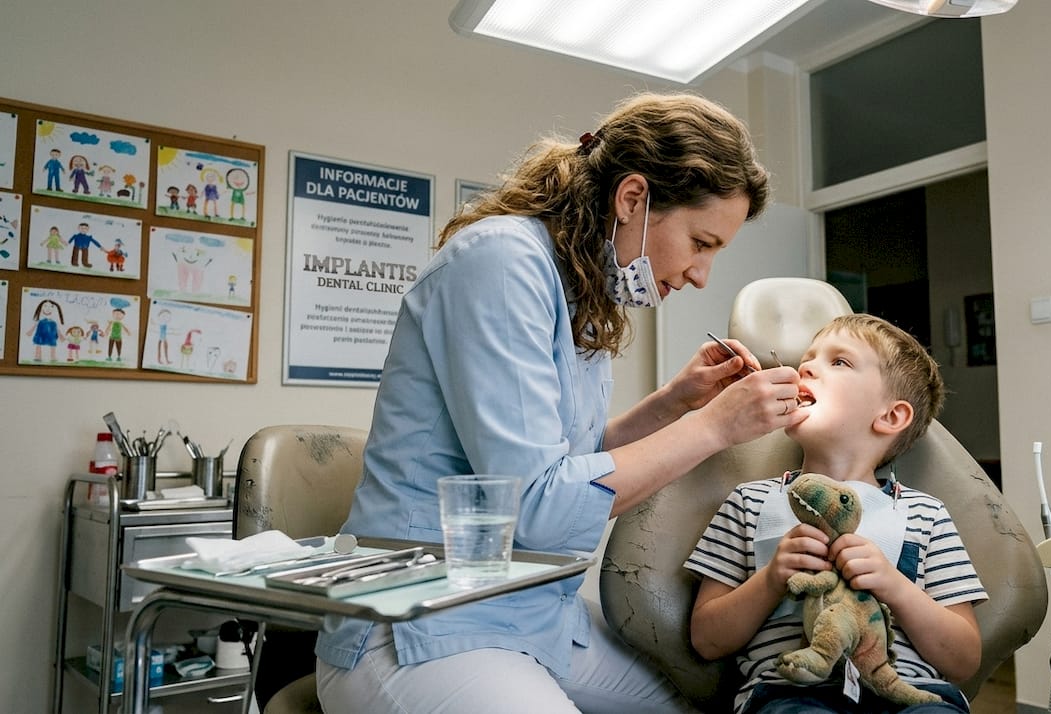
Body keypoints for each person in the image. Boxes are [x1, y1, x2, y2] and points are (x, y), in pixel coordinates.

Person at [315, 92, 806, 713]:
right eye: (701, 242)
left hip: (524, 608)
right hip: (416, 620)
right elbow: (537, 505)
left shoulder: (579, 284)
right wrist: (714, 427)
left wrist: (673, 405)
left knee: (692, 706)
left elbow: (568, 462)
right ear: (633, 199)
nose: (700, 274)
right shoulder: (501, 263)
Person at [684, 314, 987, 714]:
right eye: (808, 357)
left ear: (890, 416)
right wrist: (772, 579)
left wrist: (894, 586)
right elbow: (707, 640)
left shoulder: (925, 515)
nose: (805, 366)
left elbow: (963, 660)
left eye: (838, 362)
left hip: (911, 694)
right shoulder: (749, 502)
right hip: (790, 693)